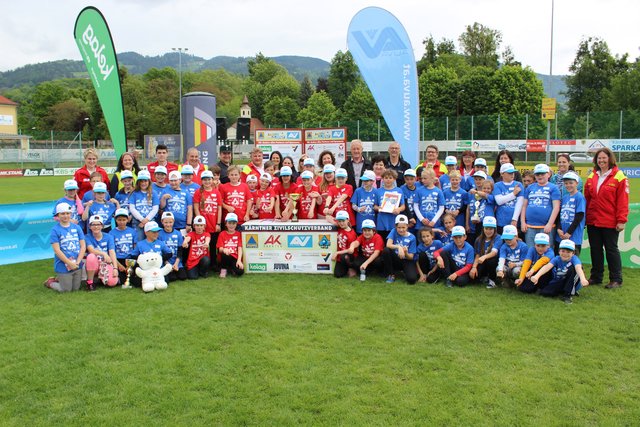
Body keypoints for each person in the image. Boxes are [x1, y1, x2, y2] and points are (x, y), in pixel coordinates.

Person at [584, 147, 629, 289]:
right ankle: (596, 277)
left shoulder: (619, 176)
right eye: (599, 158)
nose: (601, 160)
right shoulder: (592, 176)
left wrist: (621, 220)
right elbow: (587, 198)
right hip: (593, 220)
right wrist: (585, 218)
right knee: (595, 249)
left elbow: (623, 200)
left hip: (609, 221)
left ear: (610, 159)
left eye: (604, 158)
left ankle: (616, 279)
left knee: (611, 249)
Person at [530, 239, 589, 304]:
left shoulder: (574, 259)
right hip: (560, 281)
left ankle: (567, 295)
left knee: (573, 269)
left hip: (571, 282)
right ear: (559, 251)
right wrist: (536, 276)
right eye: (563, 251)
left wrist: (583, 279)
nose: (565, 254)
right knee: (545, 293)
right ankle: (562, 291)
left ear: (573, 253)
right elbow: (547, 267)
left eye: (568, 252)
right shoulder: (557, 259)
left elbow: (578, 268)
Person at [48, 204, 86, 292]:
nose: (65, 216)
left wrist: (78, 261)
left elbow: (83, 246)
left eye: (67, 213)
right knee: (66, 290)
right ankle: (50, 282)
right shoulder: (55, 230)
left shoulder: (77, 227)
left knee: (76, 288)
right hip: (63, 264)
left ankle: (61, 279)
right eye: (62, 214)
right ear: (58, 215)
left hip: (77, 263)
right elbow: (57, 250)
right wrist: (69, 263)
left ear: (71, 214)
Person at [520, 164, 561, 246]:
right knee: (531, 251)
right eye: (537, 174)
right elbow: (524, 206)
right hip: (530, 226)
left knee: (546, 252)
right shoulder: (530, 188)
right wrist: (522, 222)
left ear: (548, 174)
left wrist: (549, 224)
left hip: (546, 227)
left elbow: (556, 207)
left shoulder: (553, 188)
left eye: (542, 174)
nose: (540, 176)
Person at [193, 169, 222, 268]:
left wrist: (218, 223)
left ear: (212, 180)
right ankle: (202, 264)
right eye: (204, 180)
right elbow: (196, 207)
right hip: (203, 225)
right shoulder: (198, 192)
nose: (207, 182)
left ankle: (214, 264)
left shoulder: (216, 192)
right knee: (201, 245)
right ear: (201, 181)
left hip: (213, 224)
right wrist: (199, 221)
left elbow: (219, 208)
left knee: (213, 246)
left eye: (209, 179)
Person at [84, 215, 119, 290]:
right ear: (90, 226)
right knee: (91, 256)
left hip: (105, 263)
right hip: (94, 264)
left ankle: (98, 279)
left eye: (98, 224)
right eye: (93, 224)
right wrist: (104, 253)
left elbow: (112, 252)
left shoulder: (109, 237)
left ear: (102, 226)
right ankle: (90, 282)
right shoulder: (87, 237)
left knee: (112, 282)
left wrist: (115, 268)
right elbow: (91, 250)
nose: (96, 227)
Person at [382, 215, 418, 284]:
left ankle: (404, 271)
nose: (401, 229)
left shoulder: (412, 237)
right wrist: (399, 247)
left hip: (406, 260)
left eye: (403, 227)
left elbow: (411, 257)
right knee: (386, 250)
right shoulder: (393, 231)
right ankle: (391, 274)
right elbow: (388, 244)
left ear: (407, 226)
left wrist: (406, 252)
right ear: (396, 227)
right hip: (396, 258)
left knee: (412, 280)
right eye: (399, 227)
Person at [556, 172, 586, 255]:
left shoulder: (579, 197)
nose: (568, 185)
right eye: (566, 183)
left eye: (571, 183)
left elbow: (579, 216)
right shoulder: (565, 197)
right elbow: (560, 215)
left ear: (576, 183)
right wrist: (559, 228)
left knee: (573, 260)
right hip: (562, 235)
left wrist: (569, 232)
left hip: (573, 236)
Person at [470, 216, 502, 289]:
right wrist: (474, 267)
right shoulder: (479, 239)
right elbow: (477, 255)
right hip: (482, 261)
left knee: (491, 260)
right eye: (486, 228)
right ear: (483, 228)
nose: (488, 231)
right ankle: (484, 277)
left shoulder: (498, 238)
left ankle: (492, 280)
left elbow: (494, 252)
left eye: (491, 229)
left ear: (495, 229)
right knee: (474, 277)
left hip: (494, 262)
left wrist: (484, 256)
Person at [492, 163, 524, 235]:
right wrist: (513, 194)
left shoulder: (519, 184)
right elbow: (499, 201)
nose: (512, 174)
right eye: (509, 173)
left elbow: (520, 203)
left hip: (515, 222)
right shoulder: (497, 185)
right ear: (502, 174)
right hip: (501, 221)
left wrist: (514, 219)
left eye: (513, 172)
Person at [374, 169, 405, 241]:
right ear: (383, 179)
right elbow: (374, 206)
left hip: (393, 220)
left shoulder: (399, 190)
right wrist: (378, 208)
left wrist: (398, 209)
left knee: (393, 242)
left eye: (390, 178)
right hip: (382, 221)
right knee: (382, 242)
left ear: (394, 179)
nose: (388, 180)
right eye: (386, 178)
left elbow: (403, 206)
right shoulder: (378, 191)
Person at [129, 170, 159, 242]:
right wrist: (142, 219)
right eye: (141, 181)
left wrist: (146, 220)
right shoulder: (134, 193)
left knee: (152, 240)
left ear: (149, 181)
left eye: (145, 181)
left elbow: (155, 208)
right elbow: (132, 208)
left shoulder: (153, 193)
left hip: (150, 221)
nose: (143, 183)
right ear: (138, 182)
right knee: (139, 240)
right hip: (138, 222)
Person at [110, 208, 137, 285]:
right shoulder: (111, 233)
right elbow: (112, 251)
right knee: (121, 281)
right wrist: (119, 265)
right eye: (119, 220)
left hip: (130, 259)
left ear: (127, 219)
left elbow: (135, 247)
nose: (121, 222)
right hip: (118, 259)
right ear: (115, 220)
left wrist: (132, 262)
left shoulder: (132, 231)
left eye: (124, 220)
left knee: (135, 280)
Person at [158, 212, 187, 282]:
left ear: (173, 221)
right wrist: (167, 264)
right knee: (172, 278)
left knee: (183, 277)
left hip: (176, 261)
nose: (168, 224)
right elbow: (160, 251)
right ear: (162, 222)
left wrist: (176, 264)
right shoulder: (159, 234)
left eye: (170, 222)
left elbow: (180, 250)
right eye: (166, 222)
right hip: (166, 262)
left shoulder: (178, 233)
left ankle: (175, 268)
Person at [182, 215, 211, 279]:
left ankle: (202, 272)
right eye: (197, 225)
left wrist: (206, 243)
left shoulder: (207, 234)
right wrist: (185, 242)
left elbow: (207, 239)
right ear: (194, 226)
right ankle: (195, 270)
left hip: (202, 258)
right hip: (193, 259)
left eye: (201, 225)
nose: (199, 227)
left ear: (204, 226)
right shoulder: (191, 234)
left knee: (206, 260)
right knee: (192, 277)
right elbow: (187, 238)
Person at [216, 212, 244, 278]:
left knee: (240, 272)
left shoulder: (238, 234)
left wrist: (239, 260)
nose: (231, 225)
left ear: (236, 224)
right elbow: (219, 249)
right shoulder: (222, 234)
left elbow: (240, 247)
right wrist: (224, 249)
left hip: (235, 257)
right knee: (225, 254)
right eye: (229, 223)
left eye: (234, 223)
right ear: (226, 224)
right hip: (225, 257)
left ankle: (232, 268)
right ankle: (223, 269)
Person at [333, 210, 359, 278]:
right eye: (339, 221)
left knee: (344, 256)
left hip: (349, 256)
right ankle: (346, 269)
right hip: (340, 256)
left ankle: (351, 267)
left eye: (343, 221)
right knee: (338, 275)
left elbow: (351, 251)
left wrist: (337, 252)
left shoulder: (352, 233)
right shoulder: (339, 228)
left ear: (348, 220)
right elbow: (328, 217)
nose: (341, 223)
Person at [351, 170, 377, 234]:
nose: (364, 182)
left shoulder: (376, 191)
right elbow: (353, 205)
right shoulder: (358, 191)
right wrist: (358, 209)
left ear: (372, 181)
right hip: (361, 221)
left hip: (373, 221)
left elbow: (378, 205)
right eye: (363, 180)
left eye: (366, 180)